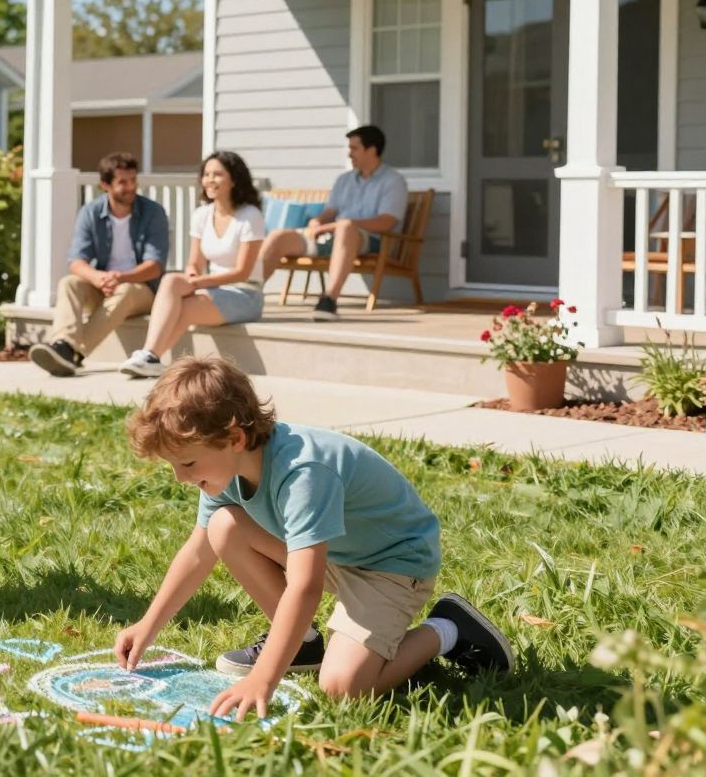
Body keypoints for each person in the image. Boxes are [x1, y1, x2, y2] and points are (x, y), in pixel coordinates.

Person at [114, 357, 512, 721]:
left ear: (235, 438)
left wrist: (264, 678)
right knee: (223, 526)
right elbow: (198, 551)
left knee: (344, 688)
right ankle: (303, 644)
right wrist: (148, 625)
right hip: (336, 553)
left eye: (187, 463)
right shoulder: (223, 468)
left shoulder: (303, 471)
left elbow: (306, 586)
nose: (181, 477)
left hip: (391, 565)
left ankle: (446, 629)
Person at [121, 151, 266, 378]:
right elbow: (195, 262)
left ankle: (151, 356)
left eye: (217, 174)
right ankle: (149, 355)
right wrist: (191, 274)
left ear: (234, 179)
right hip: (213, 289)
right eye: (206, 174)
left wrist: (200, 282)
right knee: (171, 280)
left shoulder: (250, 216)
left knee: (184, 308)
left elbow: (243, 272)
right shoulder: (202, 214)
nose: (209, 179)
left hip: (245, 294)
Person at [28, 152, 170, 377]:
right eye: (122, 182)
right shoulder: (91, 212)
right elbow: (76, 261)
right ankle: (63, 344)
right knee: (69, 283)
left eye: (133, 180)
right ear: (105, 184)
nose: (130, 187)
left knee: (124, 290)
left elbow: (154, 266)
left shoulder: (153, 213)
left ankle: (73, 354)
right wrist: (98, 278)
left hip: (142, 290)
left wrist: (120, 278)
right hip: (104, 285)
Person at [258, 125, 408, 321]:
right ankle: (248, 293)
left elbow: (386, 223)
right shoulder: (344, 180)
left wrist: (339, 225)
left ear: (371, 150)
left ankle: (329, 300)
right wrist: (317, 222)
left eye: (354, 149)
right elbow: (330, 212)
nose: (349, 154)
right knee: (279, 237)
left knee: (346, 227)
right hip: (332, 237)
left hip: (372, 240)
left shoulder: (393, 181)